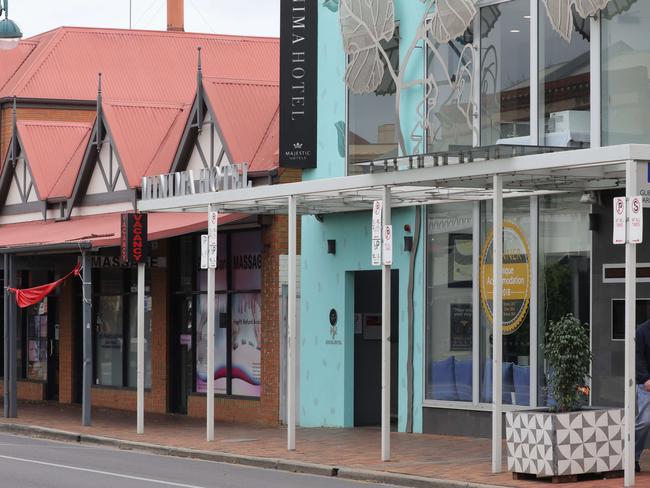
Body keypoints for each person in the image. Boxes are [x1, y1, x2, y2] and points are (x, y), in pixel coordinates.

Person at [635, 319, 650, 472]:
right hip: (646, 385)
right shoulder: (642, 330)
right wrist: (645, 378)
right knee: (644, 421)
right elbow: (637, 357)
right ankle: (632, 456)